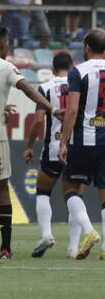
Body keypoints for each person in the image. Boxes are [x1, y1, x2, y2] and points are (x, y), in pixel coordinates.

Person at [0, 26, 61, 259]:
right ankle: (5, 248)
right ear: (2, 44)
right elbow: (28, 89)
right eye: (7, 42)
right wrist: (51, 108)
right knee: (2, 189)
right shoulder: (6, 67)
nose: (8, 46)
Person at [58, 29, 105, 260]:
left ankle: (89, 232)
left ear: (87, 47)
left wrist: (63, 142)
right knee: (104, 194)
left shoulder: (78, 71)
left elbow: (73, 109)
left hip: (84, 138)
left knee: (70, 188)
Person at [22, 52, 73, 258]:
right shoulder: (80, 85)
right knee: (74, 194)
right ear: (72, 66)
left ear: (53, 69)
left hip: (52, 148)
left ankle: (46, 234)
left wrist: (29, 146)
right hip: (75, 147)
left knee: (43, 192)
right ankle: (74, 247)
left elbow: (39, 120)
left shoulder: (45, 88)